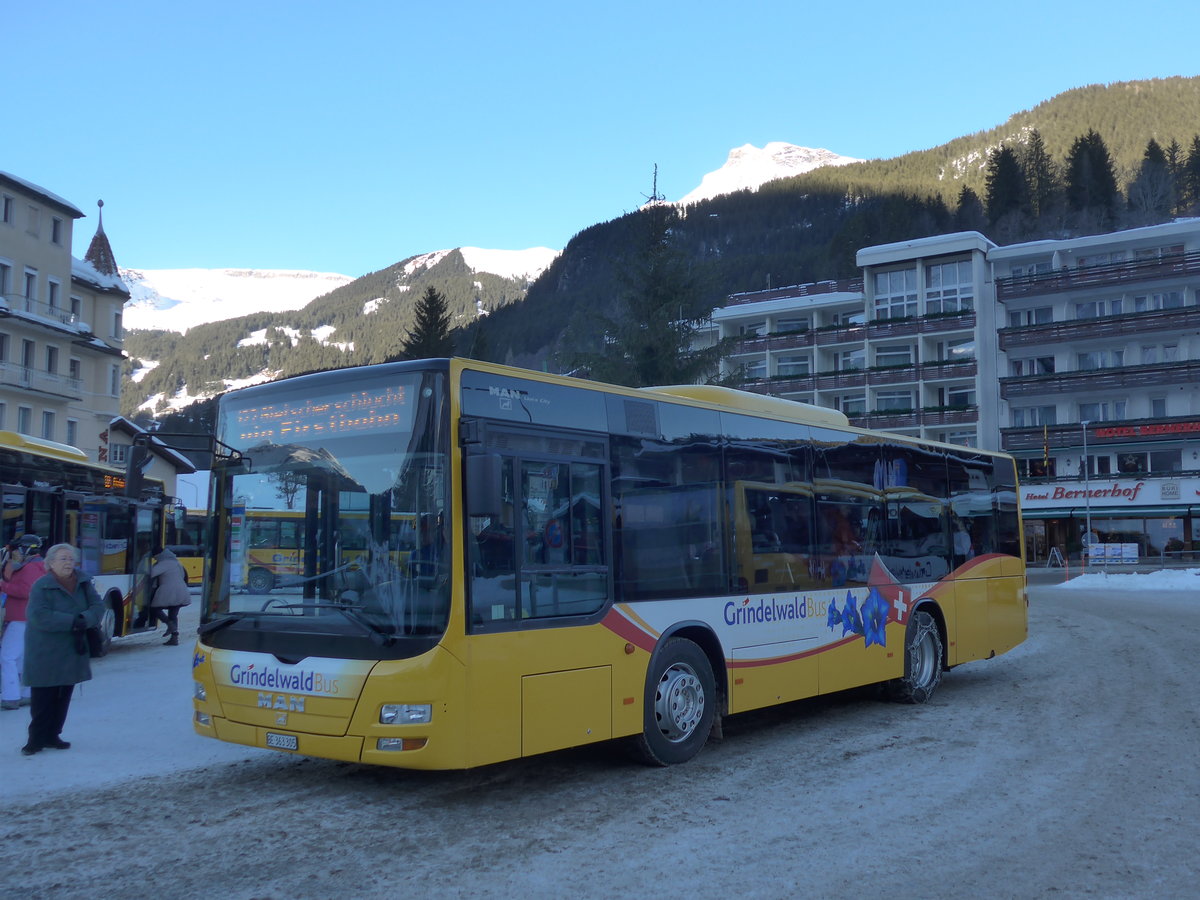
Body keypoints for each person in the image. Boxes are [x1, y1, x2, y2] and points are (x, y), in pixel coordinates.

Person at [21, 542, 103, 756]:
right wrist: (73, 621)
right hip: (45, 650)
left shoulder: (84, 582)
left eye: (70, 558)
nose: (68, 562)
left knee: (64, 694)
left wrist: (85, 619)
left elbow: (98, 607)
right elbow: (38, 616)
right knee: (43, 696)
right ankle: (35, 739)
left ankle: (53, 735)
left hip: (72, 648)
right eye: (63, 559)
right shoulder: (42, 585)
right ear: (50, 564)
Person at [1, 535, 46, 711]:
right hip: (31, 618)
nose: (15, 554)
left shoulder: (30, 568)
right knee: (24, 656)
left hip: (20, 617)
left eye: (17, 549)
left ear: (26, 549)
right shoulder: (40, 565)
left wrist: (2, 586)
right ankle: (28, 693)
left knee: (7, 657)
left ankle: (10, 696)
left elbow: (26, 591)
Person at [148, 547, 191, 646]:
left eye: (155, 557)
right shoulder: (177, 563)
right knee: (173, 614)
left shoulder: (164, 563)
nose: (154, 558)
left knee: (154, 609)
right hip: (181, 590)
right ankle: (174, 638)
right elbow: (183, 575)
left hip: (169, 590)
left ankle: (169, 624)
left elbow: (150, 574)